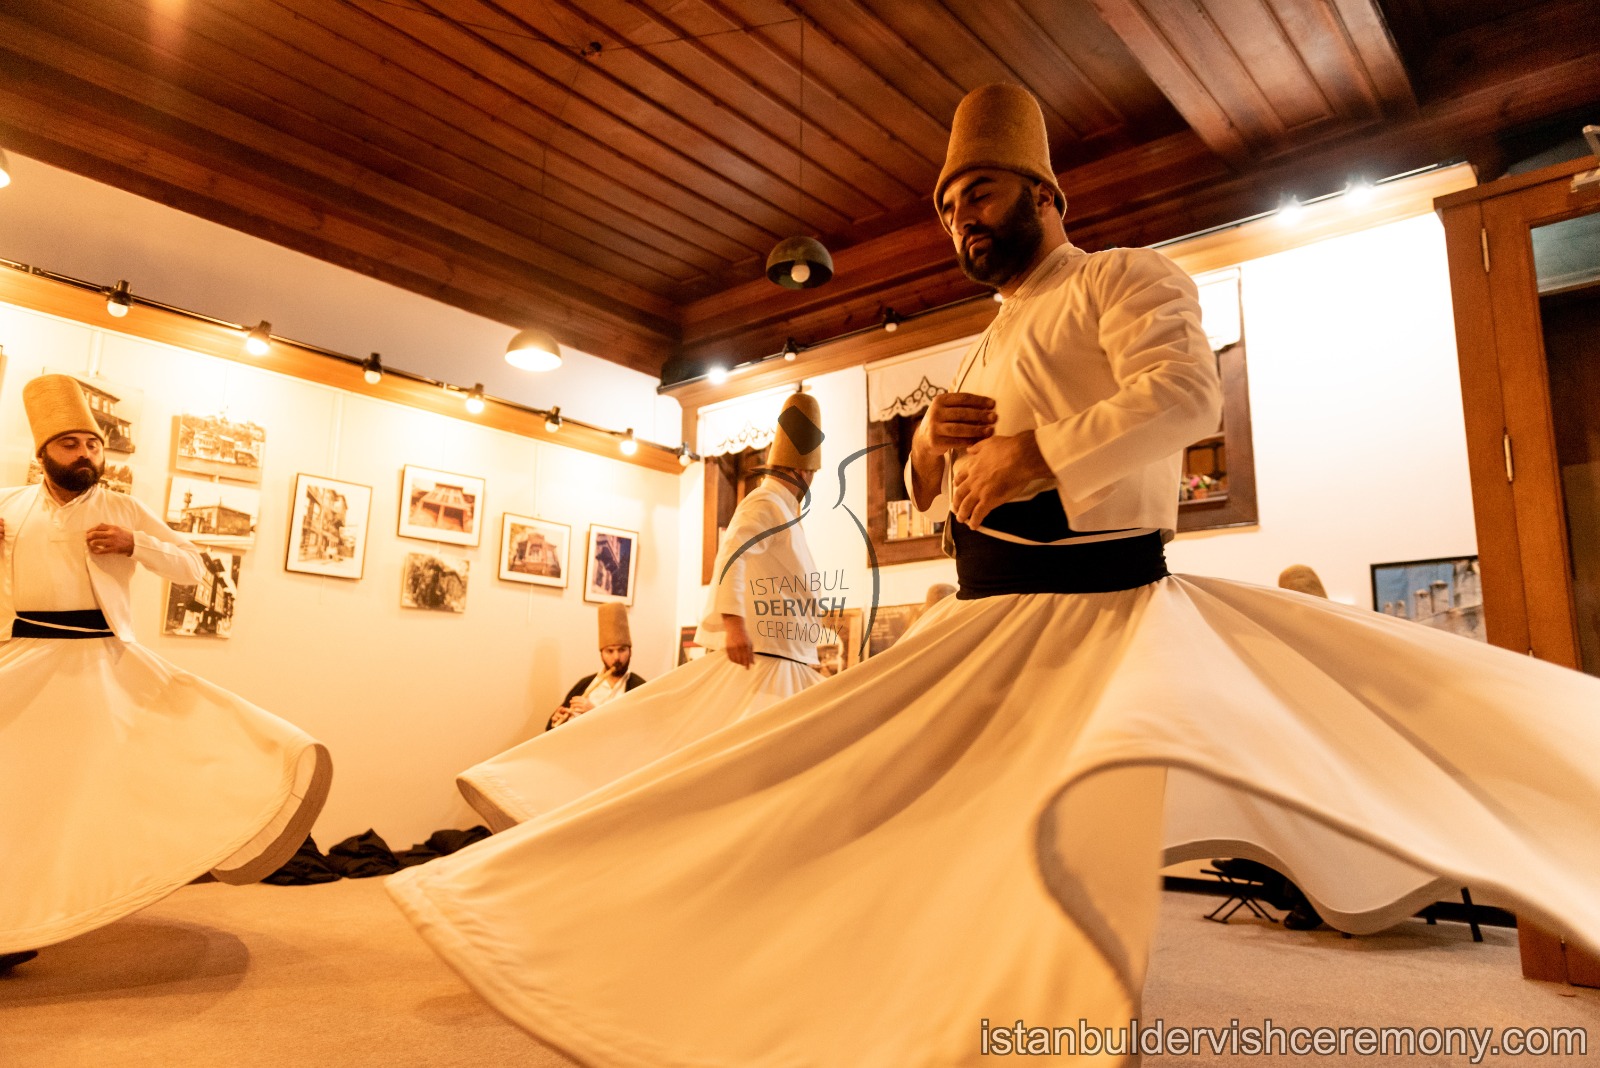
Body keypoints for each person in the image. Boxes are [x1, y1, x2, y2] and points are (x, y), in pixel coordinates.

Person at [390, 85, 1600, 1066]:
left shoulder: (1130, 278)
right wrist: (930, 450)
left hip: (1101, 620)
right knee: (837, 799)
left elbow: (1179, 399)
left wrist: (1038, 450)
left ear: (1044, 192)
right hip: (989, 623)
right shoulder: (983, 338)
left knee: (1066, 858)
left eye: (981, 194)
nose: (964, 219)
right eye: (949, 206)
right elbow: (944, 492)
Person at [1, 375, 331, 964]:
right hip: (21, 661)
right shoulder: (7, 505)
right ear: (43, 452)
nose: (86, 455)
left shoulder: (123, 507)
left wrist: (135, 544)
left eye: (92, 444)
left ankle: (53, 914)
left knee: (100, 793)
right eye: (71, 444)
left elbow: (191, 567)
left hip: (101, 666)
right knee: (17, 797)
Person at [457, 392, 828, 831]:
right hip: (767, 668)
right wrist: (734, 623)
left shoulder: (787, 515)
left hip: (790, 667)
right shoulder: (766, 504)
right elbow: (734, 552)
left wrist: (813, 653)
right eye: (811, 471)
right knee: (691, 761)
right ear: (802, 470)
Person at [545, 604, 646, 731]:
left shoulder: (641, 687)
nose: (616, 657)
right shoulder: (585, 684)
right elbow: (553, 730)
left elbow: (639, 730)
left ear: (630, 651)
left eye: (622, 650)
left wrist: (594, 712)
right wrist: (557, 722)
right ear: (601, 654)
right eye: (610, 651)